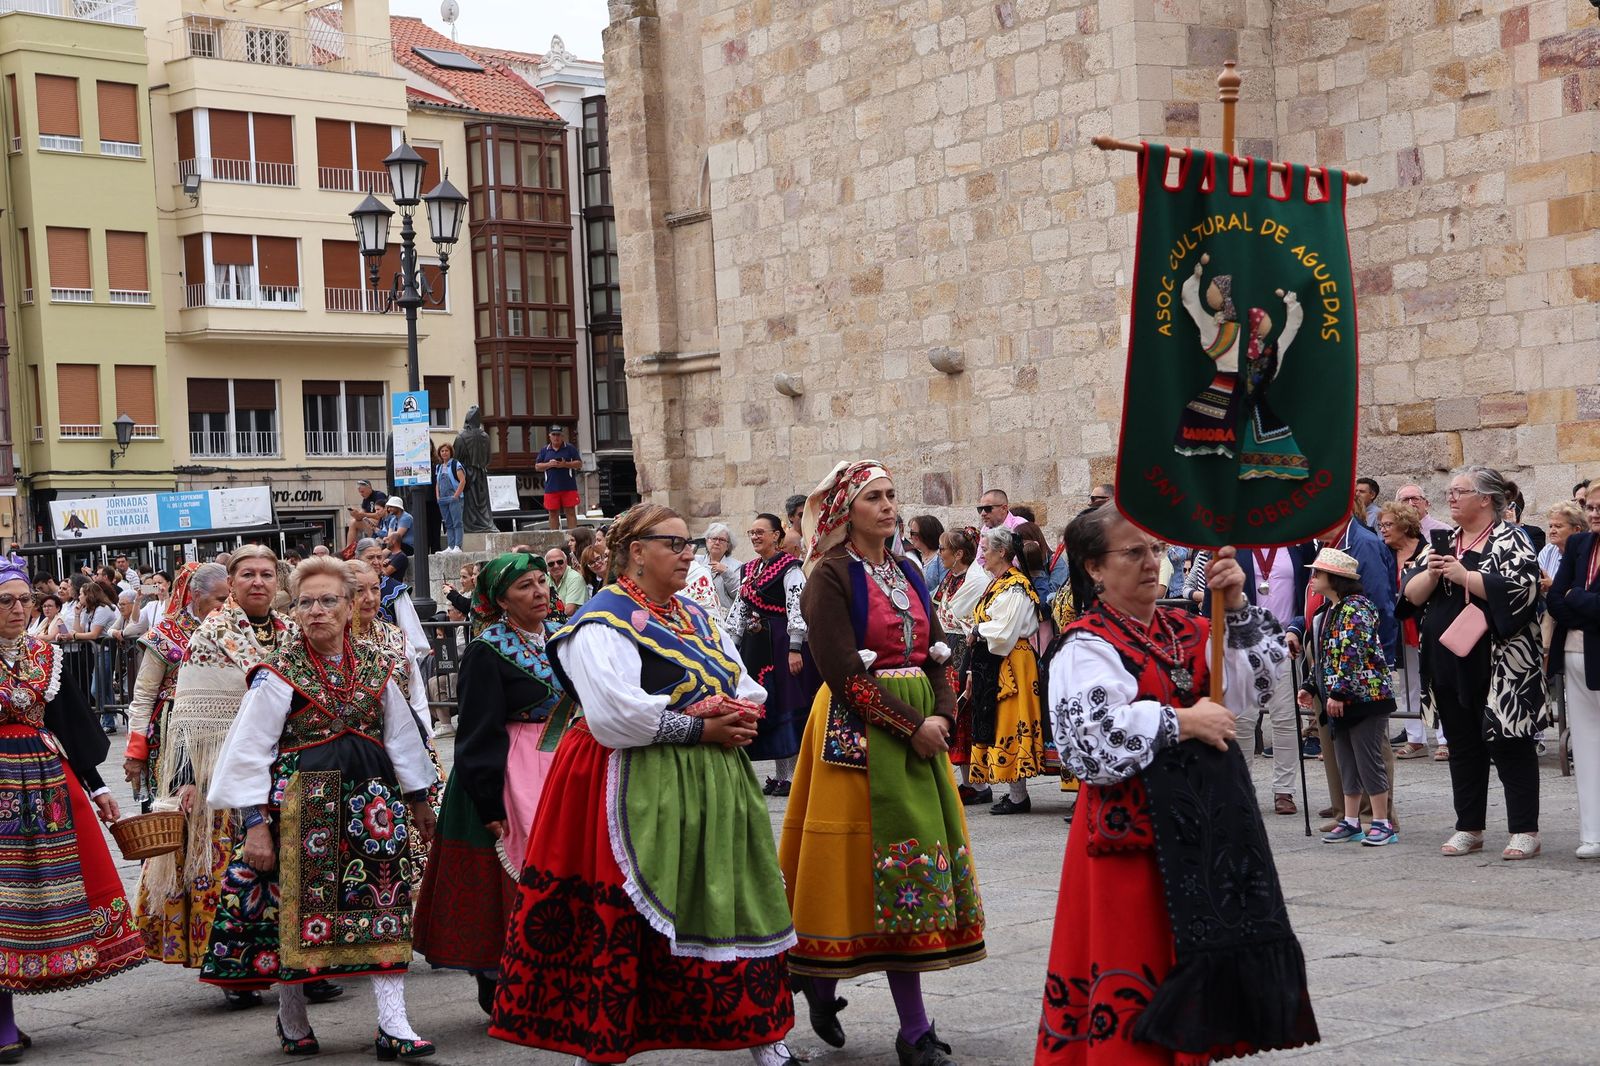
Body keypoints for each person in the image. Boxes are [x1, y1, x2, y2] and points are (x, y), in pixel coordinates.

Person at [489, 503, 797, 1066]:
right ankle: (602, 1043)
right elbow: (614, 715)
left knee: (732, 891)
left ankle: (761, 1034)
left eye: (691, 545)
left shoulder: (694, 615)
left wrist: (735, 710)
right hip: (627, 778)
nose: (688, 555)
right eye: (675, 544)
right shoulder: (599, 621)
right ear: (636, 552)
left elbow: (744, 681)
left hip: (711, 776)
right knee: (626, 910)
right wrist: (699, 725)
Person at [1036, 508, 1316, 1065]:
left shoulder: (1187, 626)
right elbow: (1086, 745)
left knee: (1190, 962)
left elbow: (1254, 684)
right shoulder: (1084, 645)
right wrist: (1180, 721)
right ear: (1093, 567)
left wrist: (1234, 604)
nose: (1150, 563)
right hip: (1130, 844)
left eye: (1154, 551)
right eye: (1132, 553)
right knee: (1132, 969)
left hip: (1199, 838)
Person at [778, 461, 981, 1066]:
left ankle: (912, 1027)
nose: (889, 506)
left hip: (918, 729)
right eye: (874, 497)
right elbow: (841, 672)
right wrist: (913, 724)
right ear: (847, 510)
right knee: (852, 866)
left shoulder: (910, 569)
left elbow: (940, 649)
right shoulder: (829, 577)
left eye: (892, 496)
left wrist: (941, 714)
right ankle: (824, 979)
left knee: (908, 869)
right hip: (858, 733)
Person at [199, 557, 439, 1057]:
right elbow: (247, 751)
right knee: (298, 912)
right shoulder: (277, 673)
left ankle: (393, 1023)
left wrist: (420, 802)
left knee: (384, 905)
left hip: (373, 805)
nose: (316, 611)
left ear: (351, 607)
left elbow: (400, 736)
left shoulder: (379, 664)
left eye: (328, 600)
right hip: (303, 809)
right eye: (306, 602)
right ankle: (292, 1018)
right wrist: (255, 827)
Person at [414, 553, 577, 1011]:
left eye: (542, 582)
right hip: (507, 770)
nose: (540, 592)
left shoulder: (560, 640)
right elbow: (477, 731)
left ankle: (555, 969)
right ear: (502, 599)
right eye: (525, 586)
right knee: (506, 876)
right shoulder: (489, 650)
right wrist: (488, 801)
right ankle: (497, 976)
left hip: (558, 762)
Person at [0, 554, 146, 1053]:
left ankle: (10, 1006)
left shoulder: (47, 655)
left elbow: (66, 724)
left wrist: (99, 788)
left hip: (47, 787)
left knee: (40, 898)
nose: (18, 609)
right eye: (6, 601)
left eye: (23, 600)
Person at [1401, 465, 1546, 860]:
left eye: (1459, 491)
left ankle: (1524, 830)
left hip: (1501, 663)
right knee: (1462, 746)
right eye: (1449, 491)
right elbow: (1410, 596)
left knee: (1510, 743)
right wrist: (1432, 574)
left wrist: (1464, 575)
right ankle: (1469, 827)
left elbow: (1523, 589)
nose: (1450, 497)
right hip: (1448, 660)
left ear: (1485, 499)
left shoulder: (1511, 537)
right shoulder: (1442, 541)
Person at [124, 564, 232, 961]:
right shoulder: (164, 637)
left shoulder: (237, 630)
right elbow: (144, 694)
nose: (225, 605)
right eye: (220, 598)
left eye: (228, 597)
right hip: (179, 742)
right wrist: (136, 750)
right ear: (195, 597)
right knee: (186, 833)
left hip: (229, 735)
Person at [1297, 549, 1398, 846]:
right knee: (1347, 761)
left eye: (1319, 573)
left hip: (1366, 697)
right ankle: (1351, 820)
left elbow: (1351, 654)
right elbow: (1325, 657)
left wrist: (1339, 692)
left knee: (1368, 759)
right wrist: (1311, 686)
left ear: (1335, 578)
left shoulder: (1356, 608)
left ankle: (1381, 821)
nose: (1313, 578)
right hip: (1338, 698)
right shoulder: (1329, 610)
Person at [725, 513, 813, 795]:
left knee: (785, 705)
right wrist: (732, 644)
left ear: (777, 535)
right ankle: (780, 775)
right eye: (751, 532)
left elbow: (797, 606)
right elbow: (740, 607)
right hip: (756, 647)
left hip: (780, 644)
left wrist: (795, 647)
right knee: (768, 708)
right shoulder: (749, 569)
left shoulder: (791, 568)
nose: (754, 537)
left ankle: (792, 776)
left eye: (760, 532)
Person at [968, 526, 1045, 816]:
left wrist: (978, 629)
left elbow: (1005, 629)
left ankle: (1018, 796)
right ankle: (1015, 793)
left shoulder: (1015, 585)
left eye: (986, 550)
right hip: (1000, 659)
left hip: (1012, 660)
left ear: (1002, 552)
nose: (982, 556)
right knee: (1004, 721)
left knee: (1013, 721)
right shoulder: (998, 583)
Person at [1547, 486, 1600, 859]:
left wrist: (1575, 599)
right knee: (1585, 746)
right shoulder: (1580, 544)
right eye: (1590, 507)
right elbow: (1553, 596)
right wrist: (1582, 605)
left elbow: (1571, 595)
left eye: (1599, 508)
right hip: (1575, 653)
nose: (1594, 513)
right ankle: (1592, 833)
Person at [1377, 502, 1442, 760]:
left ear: (1404, 525)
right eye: (1381, 525)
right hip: (1398, 625)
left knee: (1436, 678)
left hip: (1423, 622)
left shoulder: (1427, 550)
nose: (1383, 530)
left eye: (1388, 524)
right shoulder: (1383, 553)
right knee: (1406, 682)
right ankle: (1415, 738)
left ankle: (1444, 738)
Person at [932, 529, 983, 801]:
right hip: (950, 644)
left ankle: (978, 784)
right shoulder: (950, 578)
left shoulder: (975, 581)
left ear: (959, 554)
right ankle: (968, 782)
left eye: (943, 549)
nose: (940, 554)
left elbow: (957, 615)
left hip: (965, 646)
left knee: (964, 710)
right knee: (954, 710)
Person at [535, 425, 583, 530]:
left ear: (562, 436)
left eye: (558, 435)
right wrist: (549, 464)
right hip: (551, 487)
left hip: (568, 486)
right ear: (549, 436)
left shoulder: (570, 448)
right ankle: (554, 536)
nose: (556, 437)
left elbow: (579, 464)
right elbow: (537, 466)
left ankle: (572, 536)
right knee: (552, 513)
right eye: (554, 435)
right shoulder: (545, 450)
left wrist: (565, 464)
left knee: (570, 511)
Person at [1540, 501, 1587, 592]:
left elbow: (1582, 594)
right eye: (1550, 526)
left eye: (1558, 526)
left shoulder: (1586, 554)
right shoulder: (1548, 550)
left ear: (1576, 529)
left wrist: (1553, 587)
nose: (1552, 531)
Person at [699, 521, 743, 612]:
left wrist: (726, 573)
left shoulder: (737, 566)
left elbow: (739, 595)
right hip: (699, 614)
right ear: (707, 541)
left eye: (722, 540)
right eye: (714, 538)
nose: (717, 542)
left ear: (728, 546)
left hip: (724, 618)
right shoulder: (696, 561)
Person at [435, 442, 466, 552]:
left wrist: (456, 495)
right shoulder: (438, 467)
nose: (444, 453)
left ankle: (458, 546)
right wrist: (438, 496)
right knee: (448, 523)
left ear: (450, 452)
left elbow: (462, 481)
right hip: (443, 499)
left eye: (446, 450)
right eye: (442, 451)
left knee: (457, 522)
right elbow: (437, 484)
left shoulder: (456, 464)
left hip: (454, 498)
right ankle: (450, 546)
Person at [907, 514, 948, 588]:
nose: (910, 537)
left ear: (925, 534)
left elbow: (943, 588)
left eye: (912, 533)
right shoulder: (915, 556)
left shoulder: (941, 558)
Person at [346, 479, 388, 549]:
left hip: (381, 522)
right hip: (371, 522)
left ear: (369, 488)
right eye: (360, 492)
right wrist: (356, 514)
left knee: (354, 522)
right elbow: (361, 515)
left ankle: (349, 548)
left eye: (362, 492)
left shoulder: (379, 495)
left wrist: (363, 515)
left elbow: (380, 515)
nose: (361, 494)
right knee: (353, 522)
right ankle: (349, 547)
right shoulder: (365, 500)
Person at [545, 546, 589, 611]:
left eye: (560, 562)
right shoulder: (545, 578)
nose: (556, 566)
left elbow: (568, 611)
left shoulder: (575, 578)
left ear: (566, 562)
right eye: (551, 564)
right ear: (547, 567)